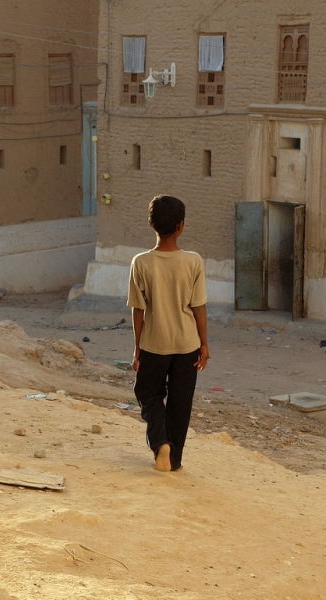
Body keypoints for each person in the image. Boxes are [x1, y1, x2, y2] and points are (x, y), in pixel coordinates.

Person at [128, 195, 209, 472]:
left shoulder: (141, 262)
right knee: (180, 401)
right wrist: (205, 345)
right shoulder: (193, 261)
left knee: (147, 393)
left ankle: (160, 442)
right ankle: (174, 459)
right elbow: (199, 307)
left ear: (151, 224)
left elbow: (138, 310)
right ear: (181, 226)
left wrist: (137, 347)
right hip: (187, 344)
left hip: (154, 343)